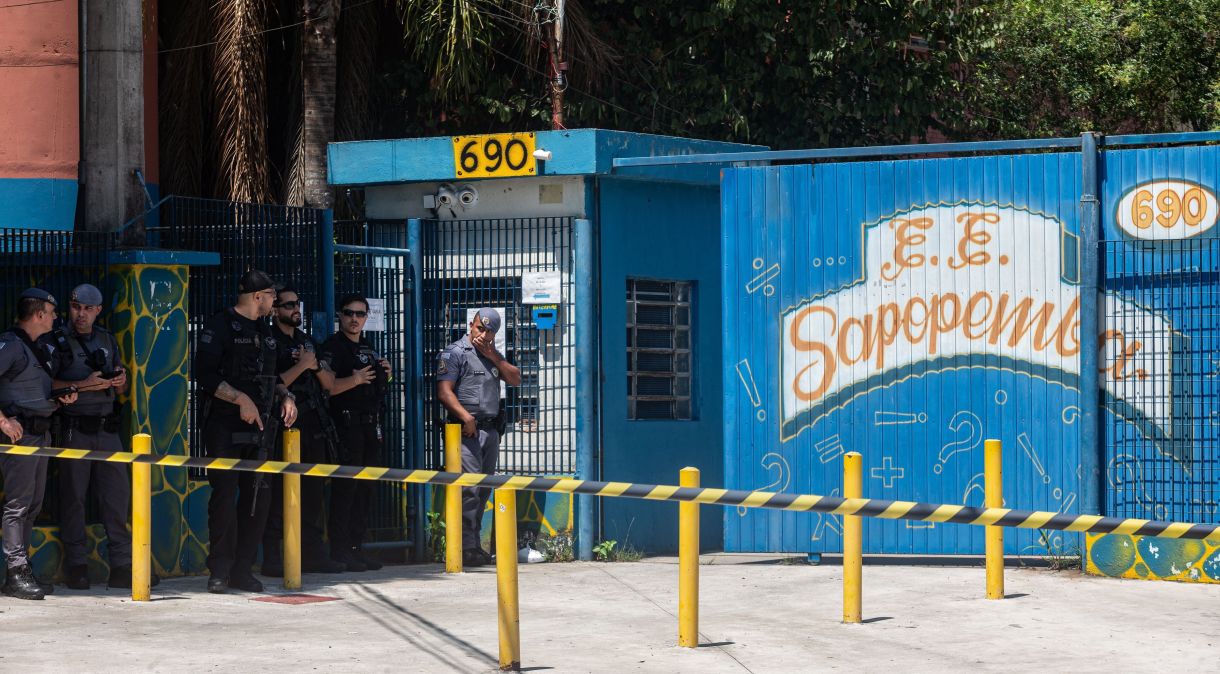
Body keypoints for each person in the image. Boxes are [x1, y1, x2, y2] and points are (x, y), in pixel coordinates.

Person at [194, 270, 297, 593]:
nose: (274, 301)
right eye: (270, 296)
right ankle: (220, 571)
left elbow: (273, 376)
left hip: (262, 429)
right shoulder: (219, 326)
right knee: (224, 498)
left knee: (258, 500)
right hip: (224, 426)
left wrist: (287, 396)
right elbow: (204, 375)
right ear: (257, 297)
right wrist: (240, 399)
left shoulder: (265, 332)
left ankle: (243, 569)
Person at [46, 284, 153, 590]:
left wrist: (119, 380)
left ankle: (122, 565)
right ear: (70, 305)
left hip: (107, 429)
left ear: (98, 310)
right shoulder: (56, 340)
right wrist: (83, 385)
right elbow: (45, 384)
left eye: (88, 309)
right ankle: (77, 565)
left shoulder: (106, 338)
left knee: (117, 500)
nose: (81, 314)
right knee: (73, 500)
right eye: (77, 307)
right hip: (73, 428)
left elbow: (120, 389)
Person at [260, 288, 344, 575]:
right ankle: (272, 558)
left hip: (311, 424)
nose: (296, 309)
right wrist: (301, 366)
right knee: (276, 493)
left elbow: (329, 383)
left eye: (298, 303)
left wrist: (314, 364)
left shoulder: (307, 341)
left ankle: (313, 555)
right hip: (281, 425)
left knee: (312, 493)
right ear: (276, 310)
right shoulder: (269, 340)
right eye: (289, 305)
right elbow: (270, 382)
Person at [0, 288, 77, 600]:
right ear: (38, 314)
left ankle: (21, 568)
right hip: (19, 436)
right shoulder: (10, 345)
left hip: (39, 433)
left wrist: (59, 399)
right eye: (52, 311)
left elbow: (32, 390)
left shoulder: (38, 346)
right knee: (18, 505)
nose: (56, 317)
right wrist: (3, 421)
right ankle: (16, 571)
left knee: (32, 505)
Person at [435, 308, 521, 567]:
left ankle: (473, 545)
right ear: (470, 325)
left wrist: (493, 355)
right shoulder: (455, 353)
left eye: (489, 331)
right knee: (468, 489)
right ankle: (464, 547)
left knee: (483, 491)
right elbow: (444, 391)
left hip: (490, 430)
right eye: (479, 328)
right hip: (466, 431)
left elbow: (515, 378)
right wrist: (465, 417)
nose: (482, 334)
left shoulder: (492, 355)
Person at [317, 294, 390, 572]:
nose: (354, 319)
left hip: (371, 426)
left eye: (360, 314)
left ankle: (356, 548)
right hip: (345, 427)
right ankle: (340, 550)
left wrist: (387, 373)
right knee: (345, 490)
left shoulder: (369, 348)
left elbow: (376, 385)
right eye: (349, 313)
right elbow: (329, 387)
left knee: (365, 490)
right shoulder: (333, 348)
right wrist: (356, 379)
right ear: (340, 315)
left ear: (366, 317)